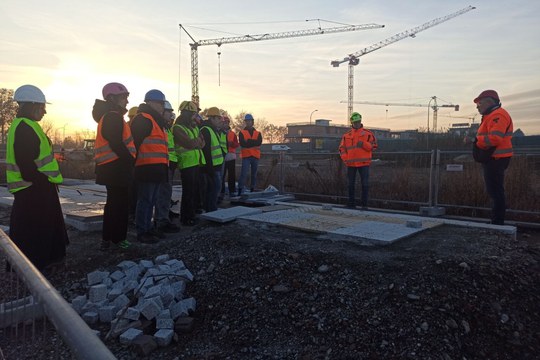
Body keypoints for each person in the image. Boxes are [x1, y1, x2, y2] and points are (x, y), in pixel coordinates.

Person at [6, 85, 69, 275]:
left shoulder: (27, 126)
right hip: (33, 188)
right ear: (31, 106)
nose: (44, 111)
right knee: (34, 230)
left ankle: (44, 261)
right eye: (42, 107)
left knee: (39, 227)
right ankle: (34, 268)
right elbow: (27, 164)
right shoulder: (24, 128)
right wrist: (42, 182)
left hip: (37, 186)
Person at [92, 82, 136, 250]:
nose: (126, 101)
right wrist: (129, 160)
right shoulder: (112, 116)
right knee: (119, 205)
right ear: (112, 98)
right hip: (116, 167)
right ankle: (118, 239)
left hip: (111, 167)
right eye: (123, 97)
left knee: (113, 204)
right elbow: (116, 143)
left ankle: (108, 239)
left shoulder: (109, 116)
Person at [130, 89, 169, 243]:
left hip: (157, 168)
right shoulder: (143, 119)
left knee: (151, 200)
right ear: (151, 103)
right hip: (146, 167)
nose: (161, 107)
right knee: (145, 200)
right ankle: (142, 231)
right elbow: (135, 144)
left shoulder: (155, 121)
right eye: (160, 103)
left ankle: (149, 228)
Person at [473, 90, 513, 225]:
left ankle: (497, 223)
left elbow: (495, 138)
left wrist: (476, 140)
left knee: (495, 192)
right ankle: (497, 221)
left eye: (479, 103)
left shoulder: (498, 115)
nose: (477, 106)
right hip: (495, 158)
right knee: (495, 191)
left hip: (496, 159)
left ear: (490, 101)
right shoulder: (493, 115)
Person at [172, 101, 205, 226]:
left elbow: (203, 143)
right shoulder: (178, 128)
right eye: (192, 114)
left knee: (194, 191)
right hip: (186, 164)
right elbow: (191, 143)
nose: (194, 116)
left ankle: (191, 215)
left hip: (195, 162)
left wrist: (196, 141)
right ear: (185, 113)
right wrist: (197, 141)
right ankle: (186, 218)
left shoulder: (193, 127)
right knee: (188, 192)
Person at [339, 112, 378, 209]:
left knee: (365, 184)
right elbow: (341, 148)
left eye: (358, 122)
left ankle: (364, 205)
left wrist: (364, 144)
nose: (357, 123)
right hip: (351, 164)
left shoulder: (368, 134)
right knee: (350, 184)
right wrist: (345, 159)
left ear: (360, 121)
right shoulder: (346, 135)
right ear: (352, 122)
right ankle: (351, 204)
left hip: (364, 164)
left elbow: (374, 147)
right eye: (355, 122)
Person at [153, 100, 180, 233]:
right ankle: (161, 221)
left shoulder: (166, 128)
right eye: (169, 111)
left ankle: (162, 218)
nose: (171, 114)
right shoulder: (160, 127)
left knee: (165, 193)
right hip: (163, 164)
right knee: (162, 194)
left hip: (169, 164)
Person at [200, 107, 225, 212]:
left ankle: (210, 208)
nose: (220, 121)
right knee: (213, 189)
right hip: (212, 168)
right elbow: (206, 151)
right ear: (212, 118)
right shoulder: (206, 130)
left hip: (216, 166)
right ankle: (211, 209)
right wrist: (209, 168)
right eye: (218, 118)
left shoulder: (213, 130)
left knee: (214, 188)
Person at [237, 113, 262, 196]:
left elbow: (259, 143)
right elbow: (243, 144)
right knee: (244, 174)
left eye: (249, 121)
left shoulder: (258, 133)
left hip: (255, 157)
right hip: (246, 157)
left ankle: (252, 189)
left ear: (252, 122)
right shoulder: (241, 132)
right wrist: (252, 143)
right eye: (247, 121)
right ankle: (240, 190)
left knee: (254, 174)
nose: (248, 122)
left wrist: (248, 141)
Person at [220, 116, 239, 199]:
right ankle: (221, 192)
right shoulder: (219, 133)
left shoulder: (232, 134)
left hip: (231, 156)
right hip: (222, 156)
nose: (225, 124)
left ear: (228, 123)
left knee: (231, 175)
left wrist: (232, 144)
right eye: (223, 123)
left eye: (226, 123)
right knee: (222, 175)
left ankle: (232, 191)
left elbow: (237, 144)